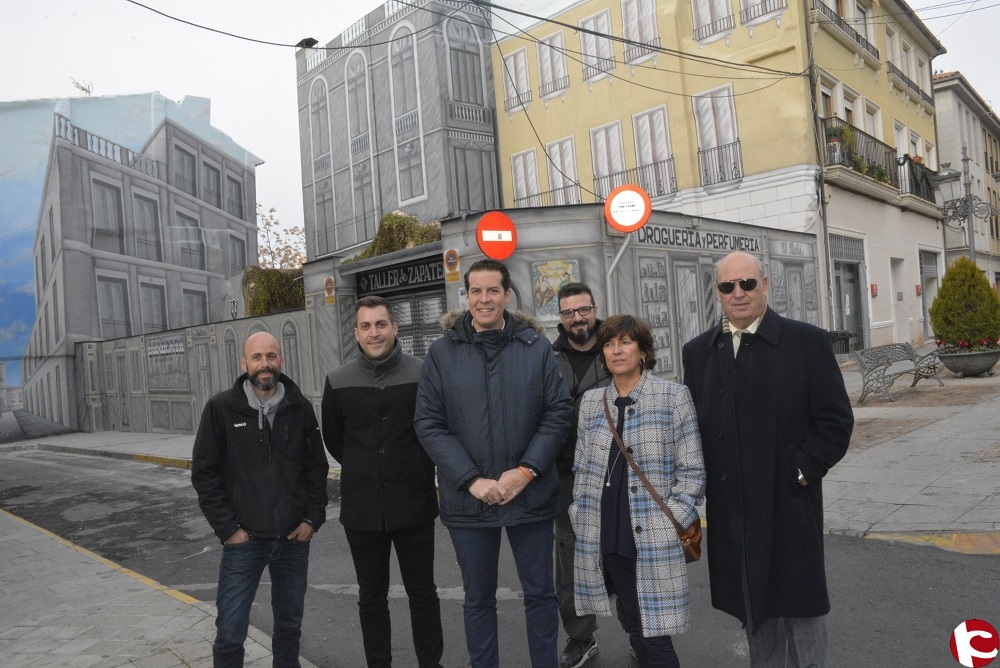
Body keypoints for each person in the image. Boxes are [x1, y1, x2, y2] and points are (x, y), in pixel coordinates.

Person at [681, 251, 854, 667]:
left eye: (747, 283)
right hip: (733, 510)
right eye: (728, 286)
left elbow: (835, 422)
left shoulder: (807, 342)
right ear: (717, 292)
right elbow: (694, 428)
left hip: (788, 503)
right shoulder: (699, 352)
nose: (738, 293)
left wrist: (799, 472)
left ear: (765, 284)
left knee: (801, 607)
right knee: (756, 611)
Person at [414, 258, 573, 668]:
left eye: (493, 290)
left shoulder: (535, 347)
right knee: (478, 598)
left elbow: (558, 413)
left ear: (506, 295)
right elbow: (428, 423)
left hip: (530, 494)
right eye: (476, 291)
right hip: (469, 500)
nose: (484, 299)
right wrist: (471, 480)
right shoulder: (441, 353)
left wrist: (526, 471)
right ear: (466, 296)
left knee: (540, 595)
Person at [572, 315, 705, 668]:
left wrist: (671, 520)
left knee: (654, 632)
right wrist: (579, 511)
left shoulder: (672, 396)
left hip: (651, 534)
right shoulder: (591, 402)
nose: (616, 350)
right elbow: (581, 465)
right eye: (609, 344)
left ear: (643, 351)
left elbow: (692, 471)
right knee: (632, 620)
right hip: (606, 531)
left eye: (626, 342)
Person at [192, 331, 329, 668]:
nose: (264, 364)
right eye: (257, 357)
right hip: (244, 542)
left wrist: (313, 518)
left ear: (281, 360)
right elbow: (205, 474)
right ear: (244, 363)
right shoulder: (221, 409)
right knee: (230, 631)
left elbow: (316, 468)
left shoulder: (299, 408)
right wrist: (228, 529)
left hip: (293, 541)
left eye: (271, 356)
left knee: (289, 625)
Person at [321, 295, 443, 668]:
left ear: (394, 327)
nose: (374, 333)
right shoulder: (337, 381)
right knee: (371, 597)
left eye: (380, 324)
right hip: (362, 511)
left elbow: (435, 429)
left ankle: (431, 663)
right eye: (366, 326)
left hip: (415, 505)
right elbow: (335, 439)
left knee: (423, 593)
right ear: (356, 333)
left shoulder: (423, 373)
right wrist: (367, 468)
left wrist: (412, 469)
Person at [551, 283, 611, 668]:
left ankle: (643, 636)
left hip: (615, 475)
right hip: (565, 479)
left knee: (628, 559)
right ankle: (580, 637)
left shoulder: (617, 347)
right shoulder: (546, 357)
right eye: (569, 312)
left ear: (594, 309)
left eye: (583, 310)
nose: (578, 318)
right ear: (560, 317)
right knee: (572, 565)